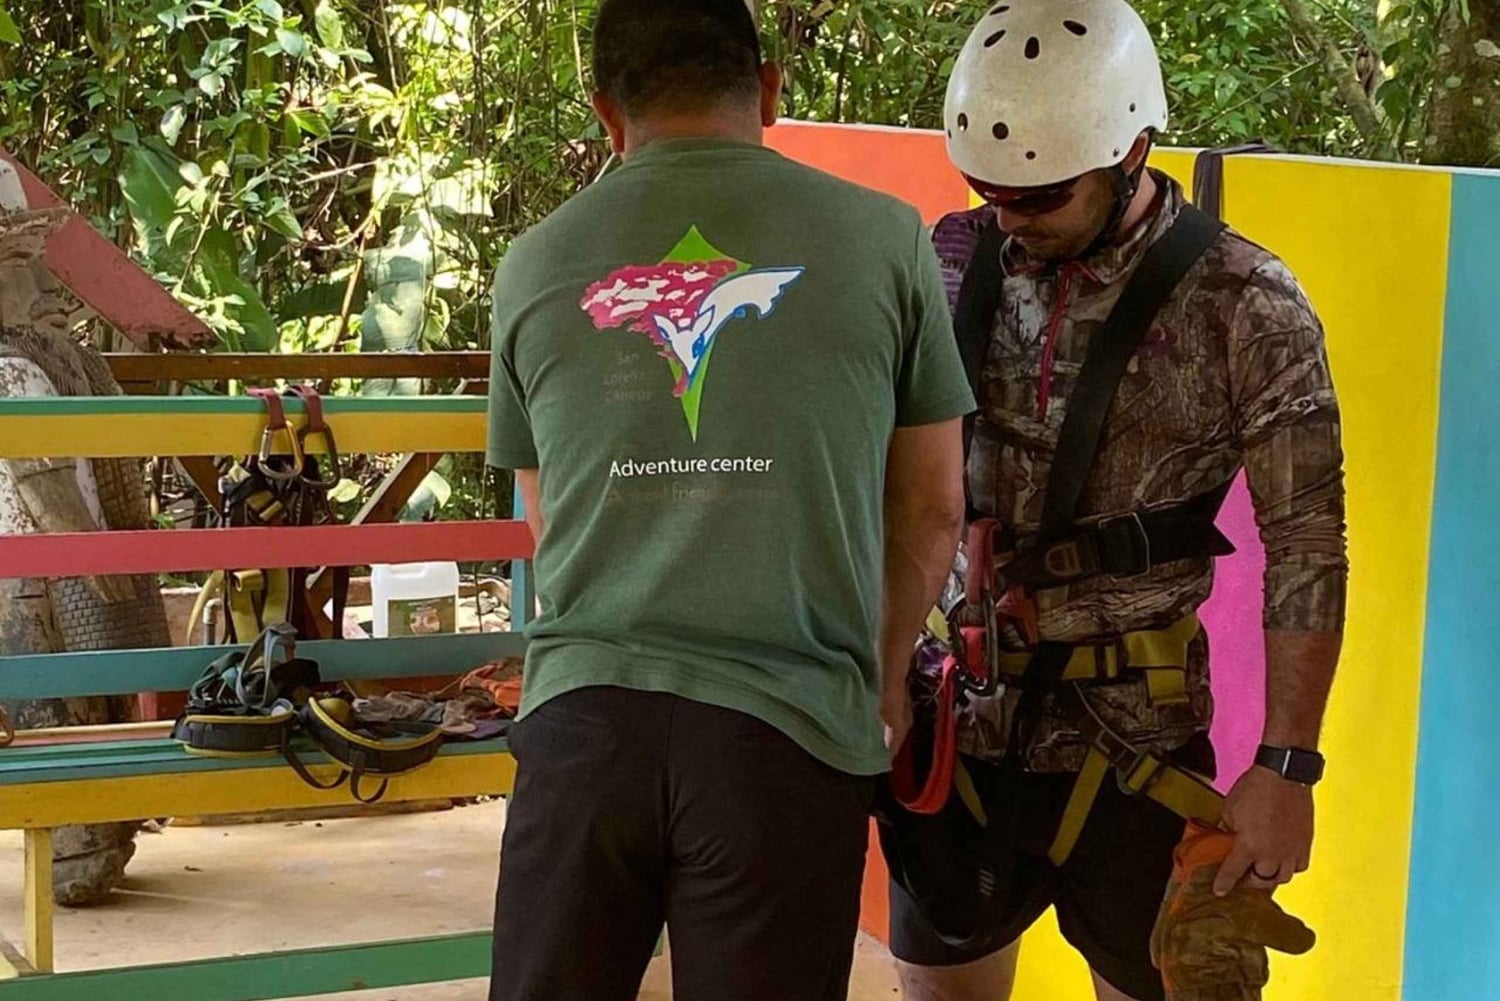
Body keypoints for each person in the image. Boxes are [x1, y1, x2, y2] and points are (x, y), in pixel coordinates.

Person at [483, 1, 975, 999]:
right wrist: (881, 682)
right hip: (785, 735)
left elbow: (548, 510)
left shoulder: (533, 262)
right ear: (769, 88)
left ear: (606, 115)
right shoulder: (886, 240)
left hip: (583, 733)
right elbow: (930, 507)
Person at [883, 2, 1349, 1000]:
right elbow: (874, 485)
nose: (1009, 214)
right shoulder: (945, 262)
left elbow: (1308, 539)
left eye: (1041, 192)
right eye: (990, 189)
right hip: (959, 734)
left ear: (1133, 148)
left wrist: (1287, 765)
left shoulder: (1245, 302)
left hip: (1133, 750)